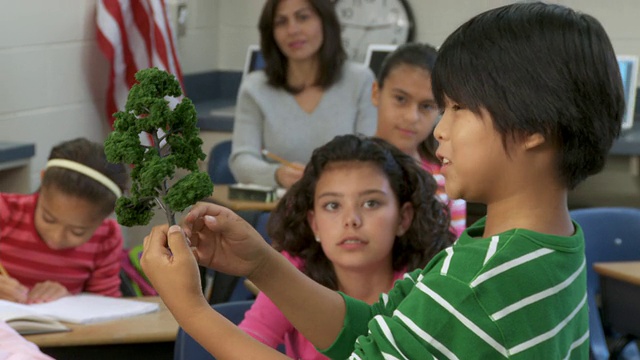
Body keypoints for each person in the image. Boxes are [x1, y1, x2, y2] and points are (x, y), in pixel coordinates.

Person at [141, 2, 623, 358]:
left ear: (536, 128)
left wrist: (193, 310)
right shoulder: (546, 245)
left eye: (457, 108)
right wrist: (264, 264)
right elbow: (376, 330)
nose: (439, 129)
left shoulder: (479, 283)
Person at [237, 135, 455, 359]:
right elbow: (242, 347)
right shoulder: (293, 270)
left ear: (403, 218)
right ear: (315, 224)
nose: (351, 220)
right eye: (333, 205)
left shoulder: (427, 282)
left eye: (371, 203)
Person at [229, 0, 377, 189]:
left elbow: (372, 155)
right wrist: (277, 174)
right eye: (281, 22)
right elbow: (241, 160)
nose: (292, 30)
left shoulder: (361, 80)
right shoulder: (255, 87)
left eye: (303, 17)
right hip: (282, 207)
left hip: (345, 202)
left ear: (325, 21)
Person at [0, 138, 128, 304]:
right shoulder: (6, 211)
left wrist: (69, 301)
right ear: (43, 180)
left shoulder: (106, 237)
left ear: (107, 214)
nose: (56, 238)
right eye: (48, 219)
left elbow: (105, 306)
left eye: (77, 232)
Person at [372, 42, 467, 237]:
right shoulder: (342, 169)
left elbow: (455, 250)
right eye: (400, 99)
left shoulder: (447, 180)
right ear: (376, 93)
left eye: (426, 106)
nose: (411, 117)